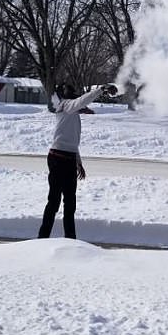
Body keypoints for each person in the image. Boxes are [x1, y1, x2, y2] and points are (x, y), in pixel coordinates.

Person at [38, 81, 117, 239]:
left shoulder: (71, 113)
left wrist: (78, 162)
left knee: (70, 203)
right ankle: (42, 238)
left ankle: (70, 239)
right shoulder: (66, 106)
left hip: (68, 158)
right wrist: (101, 89)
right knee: (54, 201)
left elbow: (71, 141)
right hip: (57, 158)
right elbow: (82, 101)